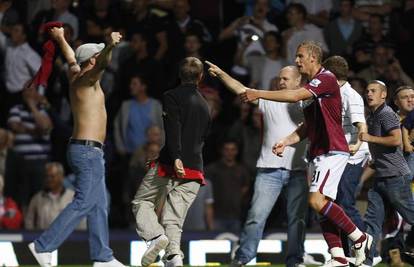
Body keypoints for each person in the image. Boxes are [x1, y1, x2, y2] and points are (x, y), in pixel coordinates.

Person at [206, 41, 372, 267]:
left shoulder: (325, 79)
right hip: (313, 154)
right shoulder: (308, 96)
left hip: (331, 150)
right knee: (321, 206)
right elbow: (307, 127)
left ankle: (360, 237)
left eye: (300, 56)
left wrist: (257, 92)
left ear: (313, 57)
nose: (296, 60)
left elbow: (293, 96)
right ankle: (339, 256)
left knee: (315, 203)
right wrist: (286, 140)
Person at [28, 26, 125, 267]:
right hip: (87, 152)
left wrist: (61, 38)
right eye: (99, 55)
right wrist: (111, 45)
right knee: (84, 202)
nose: (103, 58)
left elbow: (71, 57)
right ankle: (42, 246)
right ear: (92, 60)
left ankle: (102, 257)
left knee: (99, 203)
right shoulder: (86, 80)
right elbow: (102, 64)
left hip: (89, 151)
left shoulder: (76, 72)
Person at [206, 64, 308, 267]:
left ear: (298, 81)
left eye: (285, 79)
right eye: (279, 78)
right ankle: (243, 258)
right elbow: (240, 89)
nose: (280, 82)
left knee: (297, 220)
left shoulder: (308, 103)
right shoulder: (269, 100)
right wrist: (222, 73)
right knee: (256, 217)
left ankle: (295, 261)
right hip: (268, 170)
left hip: (298, 171)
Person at [131, 57, 211, 267]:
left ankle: (155, 236)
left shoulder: (171, 96)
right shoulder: (205, 105)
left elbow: (173, 128)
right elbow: (198, 138)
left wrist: (174, 156)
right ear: (200, 77)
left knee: (142, 202)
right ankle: (173, 257)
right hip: (195, 169)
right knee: (174, 219)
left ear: (179, 75)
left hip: (171, 165)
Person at [360, 80, 414, 266]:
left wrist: (369, 137)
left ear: (383, 95)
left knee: (411, 216)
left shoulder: (386, 113)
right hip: (382, 177)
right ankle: (365, 262)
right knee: (372, 222)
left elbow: (396, 140)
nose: (369, 94)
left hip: (395, 177)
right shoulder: (373, 116)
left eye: (373, 91)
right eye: (367, 91)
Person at [322, 56, 370, 257]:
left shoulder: (351, 96)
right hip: (337, 155)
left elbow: (361, 125)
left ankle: (366, 249)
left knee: (345, 202)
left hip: (353, 156)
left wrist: (356, 144)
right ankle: (343, 254)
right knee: (334, 204)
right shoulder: (331, 94)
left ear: (331, 75)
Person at [25, 162, 87, 230]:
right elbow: (29, 222)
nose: (49, 179)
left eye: (52, 176)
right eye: (46, 176)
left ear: (61, 177)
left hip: (69, 239)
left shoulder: (73, 197)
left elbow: (82, 222)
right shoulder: (37, 199)